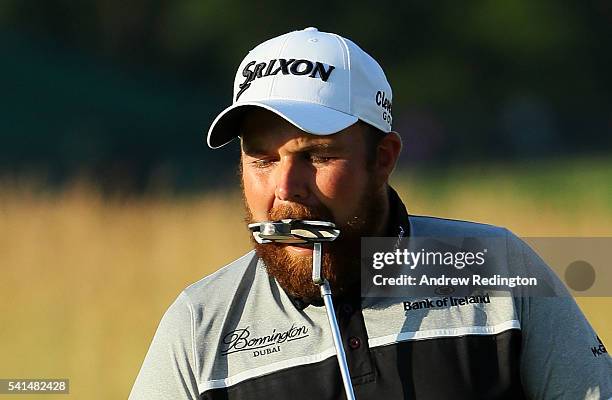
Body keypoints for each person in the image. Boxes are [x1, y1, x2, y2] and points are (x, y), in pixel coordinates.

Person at [129, 27, 611, 400]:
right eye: (262, 159)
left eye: (317, 156)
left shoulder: (500, 268)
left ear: (383, 159)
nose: (285, 189)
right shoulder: (199, 326)